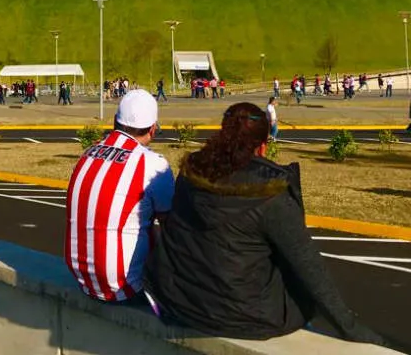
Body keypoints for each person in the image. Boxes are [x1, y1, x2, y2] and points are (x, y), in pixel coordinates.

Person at [144, 102, 384, 345]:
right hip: (245, 318)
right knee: (299, 293)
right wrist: (350, 328)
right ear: (262, 146)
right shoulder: (270, 193)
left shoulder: (190, 175)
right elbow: (308, 266)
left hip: (183, 305)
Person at [64, 89, 174, 302]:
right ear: (152, 129)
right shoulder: (152, 163)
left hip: (82, 279)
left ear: (115, 121)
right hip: (127, 286)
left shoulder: (88, 152)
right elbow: (170, 224)